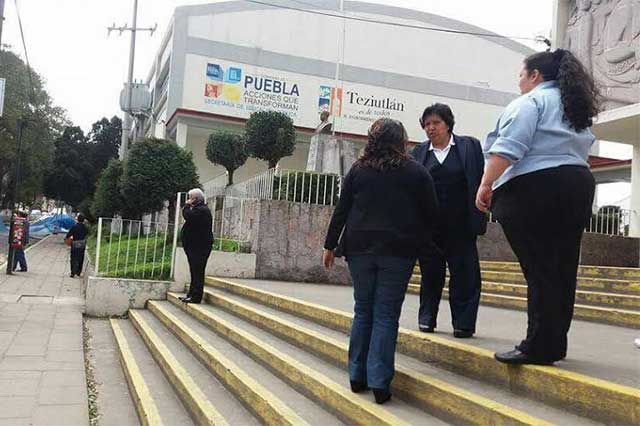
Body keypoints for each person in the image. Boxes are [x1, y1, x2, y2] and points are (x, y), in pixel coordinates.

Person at [476, 49, 598, 365]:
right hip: (577, 183)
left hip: (535, 187)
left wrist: (486, 183)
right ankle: (554, 341)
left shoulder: (530, 103)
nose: (519, 81)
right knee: (562, 266)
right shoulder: (575, 108)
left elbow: (508, 148)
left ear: (535, 76)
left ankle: (538, 345)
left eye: (521, 75)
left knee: (540, 268)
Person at [323, 118, 438, 404]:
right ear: (401, 140)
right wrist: (424, 246)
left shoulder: (358, 170)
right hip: (398, 251)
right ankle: (380, 382)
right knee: (386, 314)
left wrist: (329, 246)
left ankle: (356, 375)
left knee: (363, 310)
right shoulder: (417, 172)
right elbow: (431, 216)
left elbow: (342, 209)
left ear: (372, 140)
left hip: (360, 249)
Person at [410, 103, 486, 338]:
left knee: (465, 275)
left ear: (448, 124)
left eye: (436, 123)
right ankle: (427, 318)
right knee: (430, 274)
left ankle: (463, 323)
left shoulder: (468, 147)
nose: (431, 128)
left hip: (461, 226)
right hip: (429, 228)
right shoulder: (419, 153)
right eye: (427, 124)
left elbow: (480, 179)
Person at [179, 188, 213, 304]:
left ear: (195, 199)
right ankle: (191, 294)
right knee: (194, 271)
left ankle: (196, 296)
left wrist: (186, 206)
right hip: (194, 247)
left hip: (199, 247)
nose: (188, 200)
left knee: (197, 271)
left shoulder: (202, 210)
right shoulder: (199, 209)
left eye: (190, 198)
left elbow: (188, 216)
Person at [66, 214, 89, 278]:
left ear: (77, 219)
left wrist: (68, 239)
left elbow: (68, 235)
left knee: (73, 258)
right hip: (82, 243)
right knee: (81, 258)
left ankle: (73, 273)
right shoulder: (85, 227)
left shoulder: (74, 227)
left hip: (75, 243)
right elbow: (86, 234)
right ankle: (78, 272)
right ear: (83, 220)